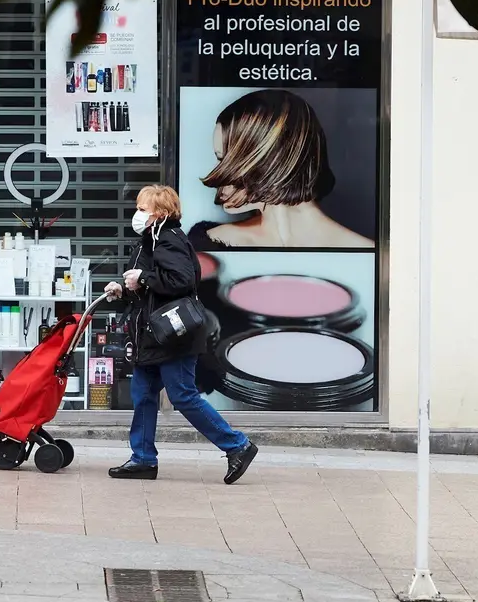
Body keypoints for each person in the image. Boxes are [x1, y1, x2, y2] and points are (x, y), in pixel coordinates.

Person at [106, 184, 258, 484]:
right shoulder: (149, 240)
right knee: (144, 396)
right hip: (153, 336)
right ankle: (143, 459)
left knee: (183, 395)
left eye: (142, 209)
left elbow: (181, 280)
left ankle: (237, 445)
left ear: (160, 213)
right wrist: (124, 289)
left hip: (173, 336)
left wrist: (143, 278)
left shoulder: (169, 240)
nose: (136, 214)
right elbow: (152, 289)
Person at [187, 89, 374, 249]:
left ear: (272, 159)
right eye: (220, 159)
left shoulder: (368, 254)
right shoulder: (208, 243)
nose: (218, 175)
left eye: (226, 159)